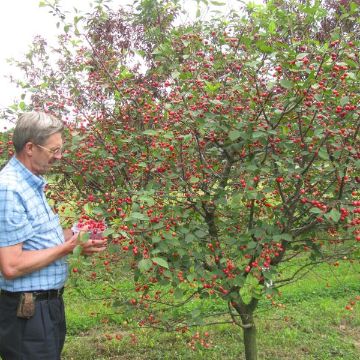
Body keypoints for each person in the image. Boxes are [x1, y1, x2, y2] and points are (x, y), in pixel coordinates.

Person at [0, 111, 107, 360]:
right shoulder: (9, 189)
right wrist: (67, 247)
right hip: (26, 313)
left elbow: (36, 239)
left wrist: (78, 235)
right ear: (29, 148)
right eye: (53, 150)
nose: (59, 157)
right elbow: (11, 265)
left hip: (44, 308)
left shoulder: (31, 184)